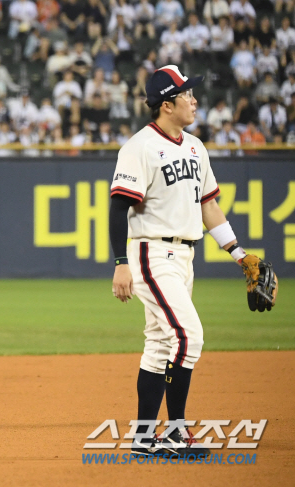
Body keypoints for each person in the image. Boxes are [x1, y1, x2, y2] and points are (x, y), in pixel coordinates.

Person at [109, 65, 254, 458]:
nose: (194, 100)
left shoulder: (195, 147)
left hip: (185, 254)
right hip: (151, 252)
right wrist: (120, 261)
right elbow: (119, 206)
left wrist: (239, 255)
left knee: (159, 344)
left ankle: (143, 438)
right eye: (187, 94)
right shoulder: (139, 147)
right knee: (189, 336)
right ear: (167, 104)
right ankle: (174, 432)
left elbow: (209, 206)